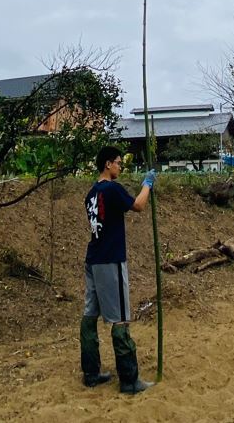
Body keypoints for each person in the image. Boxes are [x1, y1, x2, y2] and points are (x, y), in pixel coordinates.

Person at [80, 146, 157, 394]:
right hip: (111, 260)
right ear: (107, 164)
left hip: (93, 259)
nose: (120, 166)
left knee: (90, 315)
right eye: (118, 162)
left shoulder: (91, 194)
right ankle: (129, 380)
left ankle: (91, 373)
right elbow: (138, 206)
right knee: (121, 317)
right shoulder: (112, 189)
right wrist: (147, 184)